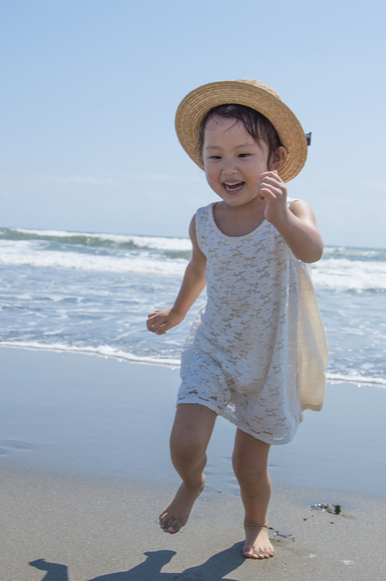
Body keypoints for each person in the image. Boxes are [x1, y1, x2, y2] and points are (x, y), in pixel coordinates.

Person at [147, 79, 328, 559]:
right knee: (185, 441)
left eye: (244, 154)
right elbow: (198, 267)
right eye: (215, 155)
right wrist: (177, 311)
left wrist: (282, 218)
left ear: (277, 161)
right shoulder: (204, 219)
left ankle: (255, 524)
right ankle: (192, 482)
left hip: (269, 359)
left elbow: (312, 251)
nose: (228, 168)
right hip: (214, 346)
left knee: (249, 465)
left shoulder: (291, 209)